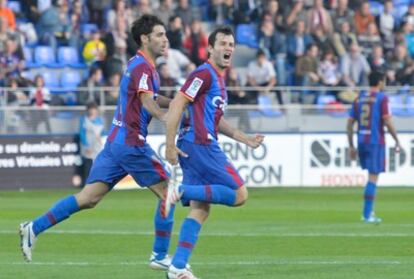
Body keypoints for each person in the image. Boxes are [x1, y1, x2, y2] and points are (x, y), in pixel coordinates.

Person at [19, 15, 178, 272]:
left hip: (116, 141)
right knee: (169, 191)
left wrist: (178, 102)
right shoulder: (142, 68)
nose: (165, 39)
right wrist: (165, 116)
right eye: (160, 35)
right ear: (145, 39)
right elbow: (148, 101)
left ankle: (33, 228)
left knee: (88, 198)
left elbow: (151, 97)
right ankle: (160, 255)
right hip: (131, 143)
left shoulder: (140, 65)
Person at [163, 26, 264, 279]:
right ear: (210, 48)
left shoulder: (217, 79)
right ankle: (181, 191)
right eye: (222, 44)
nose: (228, 48)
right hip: (201, 145)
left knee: (200, 209)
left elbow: (215, 120)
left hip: (195, 144)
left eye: (231, 44)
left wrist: (245, 139)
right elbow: (177, 103)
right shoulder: (204, 73)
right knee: (240, 194)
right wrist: (168, 144)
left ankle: (177, 266)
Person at [346, 71, 400, 224]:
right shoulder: (382, 98)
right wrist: (397, 139)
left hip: (361, 140)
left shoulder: (359, 99)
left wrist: (351, 145)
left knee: (371, 176)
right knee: (373, 177)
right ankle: (367, 214)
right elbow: (387, 121)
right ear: (381, 82)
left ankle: (369, 211)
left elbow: (349, 124)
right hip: (375, 141)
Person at [77, 101, 105, 186]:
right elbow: (81, 133)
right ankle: (87, 184)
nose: (92, 111)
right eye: (91, 109)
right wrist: (86, 145)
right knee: (88, 165)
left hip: (97, 146)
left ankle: (98, 183)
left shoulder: (100, 120)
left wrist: (101, 138)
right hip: (88, 146)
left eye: (94, 109)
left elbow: (102, 133)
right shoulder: (84, 120)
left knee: (98, 164)